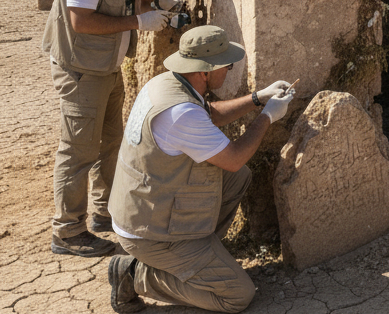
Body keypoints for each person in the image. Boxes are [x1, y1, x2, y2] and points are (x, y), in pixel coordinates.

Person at [106, 25, 296, 314]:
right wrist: (268, 118)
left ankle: (199, 256)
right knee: (238, 296)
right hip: (150, 231)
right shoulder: (180, 114)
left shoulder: (167, 84)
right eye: (227, 65)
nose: (230, 69)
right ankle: (134, 274)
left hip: (147, 207)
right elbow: (233, 157)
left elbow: (211, 115)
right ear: (204, 71)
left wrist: (259, 98)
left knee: (237, 178)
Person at [43, 0, 183, 257]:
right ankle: (68, 231)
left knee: (111, 141)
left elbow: (122, 4)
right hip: (82, 70)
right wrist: (140, 21)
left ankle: (103, 211)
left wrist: (158, 3)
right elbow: (82, 21)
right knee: (78, 150)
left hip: (106, 67)